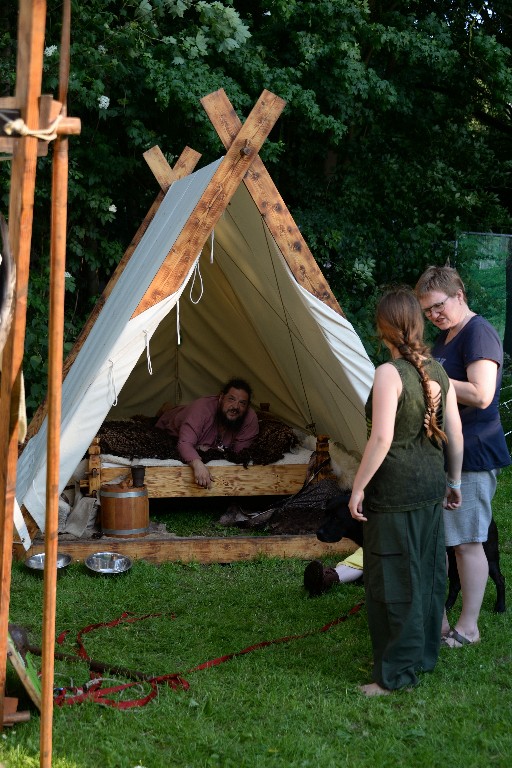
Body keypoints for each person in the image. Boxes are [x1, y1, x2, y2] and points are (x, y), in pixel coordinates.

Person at [348, 286, 463, 696]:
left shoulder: (388, 373)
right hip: (431, 488)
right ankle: (423, 656)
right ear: (416, 322)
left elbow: (381, 440)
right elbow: (456, 434)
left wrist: (357, 487)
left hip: (394, 495)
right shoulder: (439, 371)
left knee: (394, 581)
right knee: (428, 575)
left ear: (382, 329)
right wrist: (454, 482)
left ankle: (395, 674)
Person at [415, 265, 511, 648]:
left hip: (474, 454)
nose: (433, 315)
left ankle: (469, 628)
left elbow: (482, 393)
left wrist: (431, 375)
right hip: (449, 453)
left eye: (437, 306)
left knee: (468, 542)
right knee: (447, 540)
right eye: (426, 311)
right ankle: (438, 624)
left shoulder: (478, 332)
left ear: (458, 294)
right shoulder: (448, 337)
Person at [155, 377, 259, 489]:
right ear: (221, 398)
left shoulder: (250, 419)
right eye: (231, 399)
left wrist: (210, 450)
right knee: (169, 413)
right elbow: (184, 443)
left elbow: (239, 455)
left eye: (242, 403)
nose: (236, 407)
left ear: (247, 406)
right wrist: (198, 465)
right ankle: (167, 408)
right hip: (172, 422)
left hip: (204, 436)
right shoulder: (201, 409)